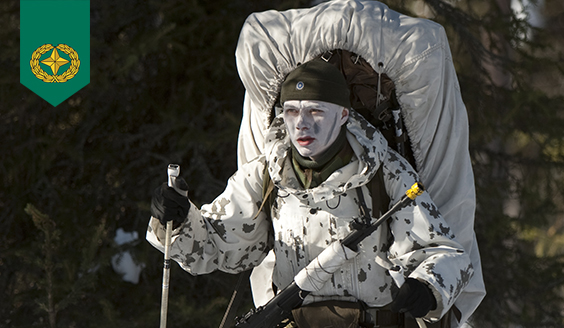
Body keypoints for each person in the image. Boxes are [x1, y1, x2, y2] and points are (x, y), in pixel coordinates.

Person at [147, 59, 473, 328]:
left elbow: (440, 249)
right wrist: (176, 219)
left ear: (343, 114)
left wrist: (426, 289)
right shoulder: (266, 174)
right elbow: (215, 247)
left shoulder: (385, 170)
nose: (302, 124)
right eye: (292, 111)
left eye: (315, 110)